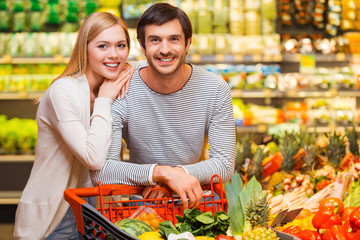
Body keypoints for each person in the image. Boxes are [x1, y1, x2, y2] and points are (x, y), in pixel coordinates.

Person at [90, 3, 235, 210]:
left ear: (188, 43)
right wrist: (161, 174)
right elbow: (102, 171)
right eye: (155, 40)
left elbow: (224, 164)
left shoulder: (214, 88)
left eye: (174, 39)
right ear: (142, 47)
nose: (165, 49)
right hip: (140, 211)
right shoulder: (123, 87)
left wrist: (175, 176)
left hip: (195, 206)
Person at [13, 12, 133, 240]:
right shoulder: (63, 91)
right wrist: (105, 100)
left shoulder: (119, 81)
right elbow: (93, 158)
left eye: (121, 45)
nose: (114, 55)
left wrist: (130, 70)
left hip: (99, 206)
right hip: (58, 210)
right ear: (84, 48)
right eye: (102, 46)